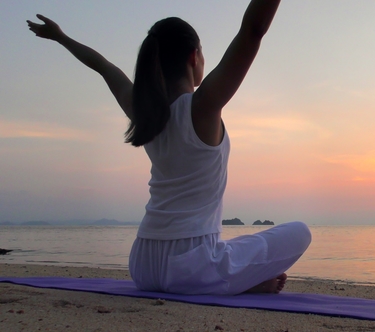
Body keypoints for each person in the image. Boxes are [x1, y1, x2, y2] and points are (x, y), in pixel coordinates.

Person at [27, 0, 311, 295]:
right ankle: (238, 282)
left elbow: (103, 66)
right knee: (299, 232)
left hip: (143, 264)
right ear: (194, 56)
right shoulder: (202, 107)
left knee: (233, 245)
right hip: (192, 268)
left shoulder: (145, 113)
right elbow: (252, 31)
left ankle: (238, 279)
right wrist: (60, 36)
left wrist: (60, 37)